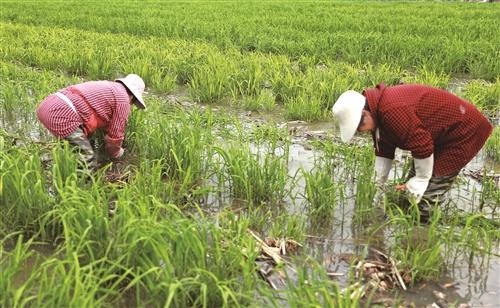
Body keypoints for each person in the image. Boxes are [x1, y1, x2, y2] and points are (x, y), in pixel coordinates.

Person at [331, 84, 493, 221]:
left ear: (364, 114)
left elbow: (422, 146)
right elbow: (384, 152)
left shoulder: (391, 111)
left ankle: (421, 239)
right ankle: (411, 221)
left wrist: (422, 179)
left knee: (428, 194)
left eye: (359, 127)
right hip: (438, 134)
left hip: (463, 131)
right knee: (411, 189)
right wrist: (378, 187)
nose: (361, 131)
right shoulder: (377, 113)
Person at [36, 74, 146, 170]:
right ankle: (83, 188)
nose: (131, 106)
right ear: (133, 97)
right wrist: (117, 154)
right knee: (87, 157)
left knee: (69, 148)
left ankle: (43, 163)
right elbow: (115, 136)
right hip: (63, 114)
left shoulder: (110, 87)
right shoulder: (123, 99)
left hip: (49, 105)